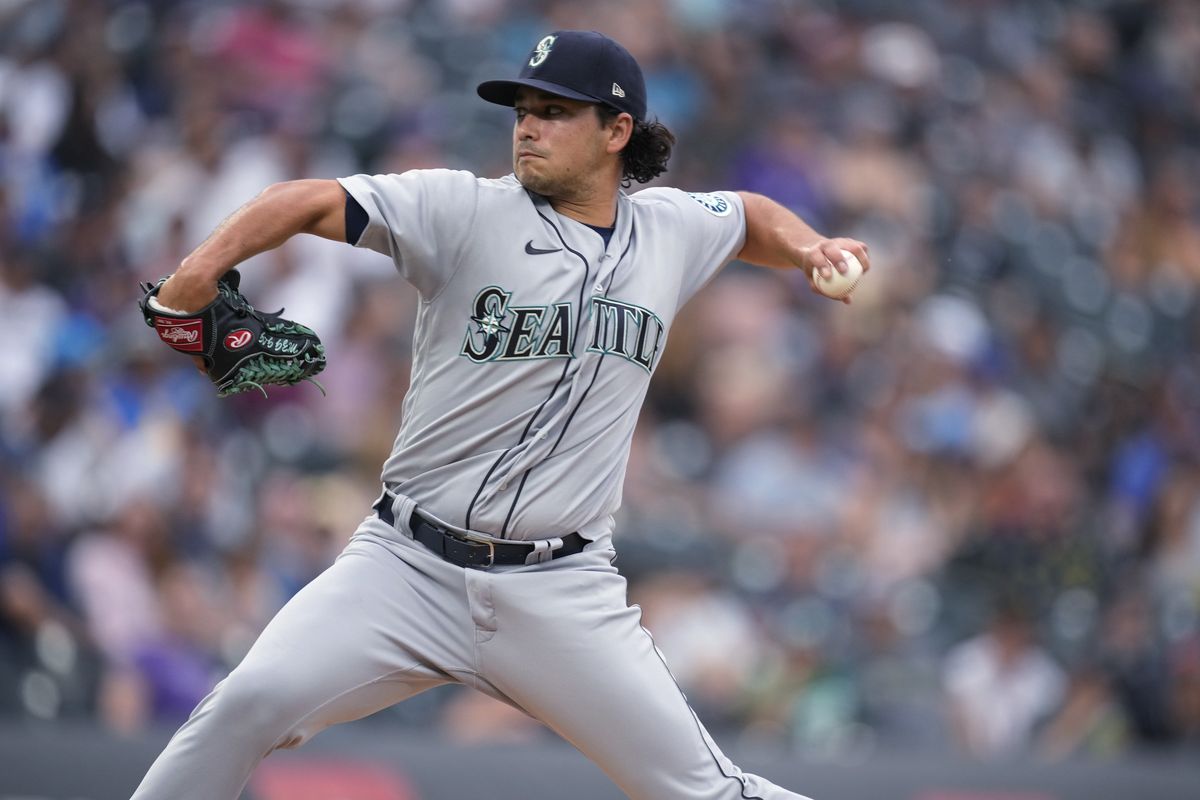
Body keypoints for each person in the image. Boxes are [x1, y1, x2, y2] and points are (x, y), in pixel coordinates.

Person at [131, 30, 870, 800]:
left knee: (705, 790)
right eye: (522, 108)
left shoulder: (670, 230)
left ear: (617, 132)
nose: (527, 125)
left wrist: (812, 245)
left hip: (559, 591)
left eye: (554, 112)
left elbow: (748, 215)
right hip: (402, 569)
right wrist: (192, 281)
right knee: (240, 708)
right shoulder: (461, 209)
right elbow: (306, 199)